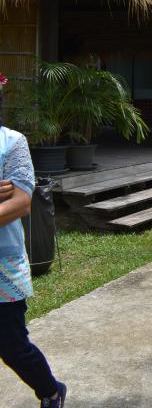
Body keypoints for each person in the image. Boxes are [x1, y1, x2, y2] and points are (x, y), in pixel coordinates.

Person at [0, 83, 67, 406]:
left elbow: (20, 203)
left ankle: (51, 391)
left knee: (11, 344)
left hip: (2, 264)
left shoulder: (12, 142)